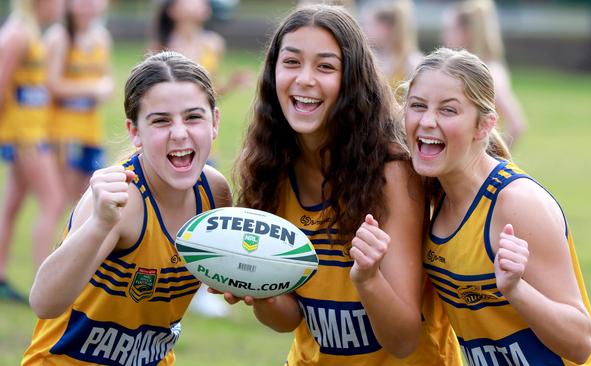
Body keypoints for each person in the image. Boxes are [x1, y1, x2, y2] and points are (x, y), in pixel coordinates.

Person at [231, 5, 461, 365]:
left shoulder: (393, 173)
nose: (305, 79)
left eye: (325, 66)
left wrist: (368, 279)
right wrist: (258, 287)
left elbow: (402, 339)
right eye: (291, 62)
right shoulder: (267, 167)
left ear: (351, 80)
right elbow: (289, 318)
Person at [21, 51, 232, 364]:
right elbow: (44, 302)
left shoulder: (214, 194)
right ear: (135, 132)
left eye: (193, 117)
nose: (179, 133)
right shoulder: (119, 198)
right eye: (160, 120)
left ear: (214, 121)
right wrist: (100, 224)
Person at [403, 47, 591, 364]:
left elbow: (580, 342)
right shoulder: (434, 193)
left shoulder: (516, 203)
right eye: (418, 106)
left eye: (448, 110)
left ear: (484, 125)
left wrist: (515, 289)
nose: (428, 121)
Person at [152, 0, 251, 318]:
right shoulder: (163, 47)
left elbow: (207, 96)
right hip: (173, 146)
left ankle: (201, 288)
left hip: (205, 145)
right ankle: (167, 279)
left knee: (204, 214)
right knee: (172, 215)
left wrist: (229, 85)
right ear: (173, 9)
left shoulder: (213, 44)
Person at [0, 0, 65, 303]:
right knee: (53, 200)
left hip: (32, 132)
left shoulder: (31, 32)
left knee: (12, 205)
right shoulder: (17, 35)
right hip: (24, 136)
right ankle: (45, 285)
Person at [45, 0, 114, 205]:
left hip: (92, 131)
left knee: (88, 201)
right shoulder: (60, 37)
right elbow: (51, 84)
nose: (89, 5)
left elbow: (107, 79)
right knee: (62, 201)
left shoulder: (101, 37)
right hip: (64, 133)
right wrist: (92, 89)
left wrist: (106, 88)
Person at [441, 0, 526, 147]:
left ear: (467, 32)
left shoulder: (489, 72)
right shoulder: (468, 69)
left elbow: (516, 124)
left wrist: (496, 160)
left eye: (450, 30)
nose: (444, 37)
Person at [360, 0, 423, 90]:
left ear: (385, 28)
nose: (363, 29)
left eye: (368, 24)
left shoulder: (411, 63)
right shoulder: (371, 59)